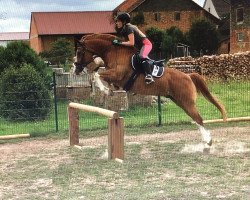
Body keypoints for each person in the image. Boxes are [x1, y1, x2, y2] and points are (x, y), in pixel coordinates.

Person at [112, 12, 154, 84]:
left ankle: (149, 76)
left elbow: (131, 43)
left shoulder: (129, 28)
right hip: (139, 47)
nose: (117, 23)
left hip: (146, 44)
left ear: (124, 22)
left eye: (118, 21)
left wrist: (119, 43)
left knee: (142, 56)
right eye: (117, 21)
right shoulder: (125, 29)